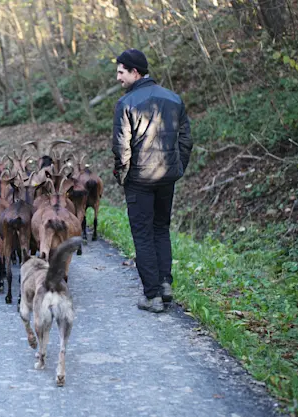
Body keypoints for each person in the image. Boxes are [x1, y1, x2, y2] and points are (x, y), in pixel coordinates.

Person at [111, 49, 193, 313]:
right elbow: (186, 140)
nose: (118, 78)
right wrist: (177, 168)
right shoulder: (174, 99)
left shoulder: (126, 104)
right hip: (166, 177)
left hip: (140, 179)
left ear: (136, 72)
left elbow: (121, 147)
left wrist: (123, 176)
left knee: (143, 234)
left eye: (121, 72)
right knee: (160, 228)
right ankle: (165, 283)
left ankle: (153, 296)